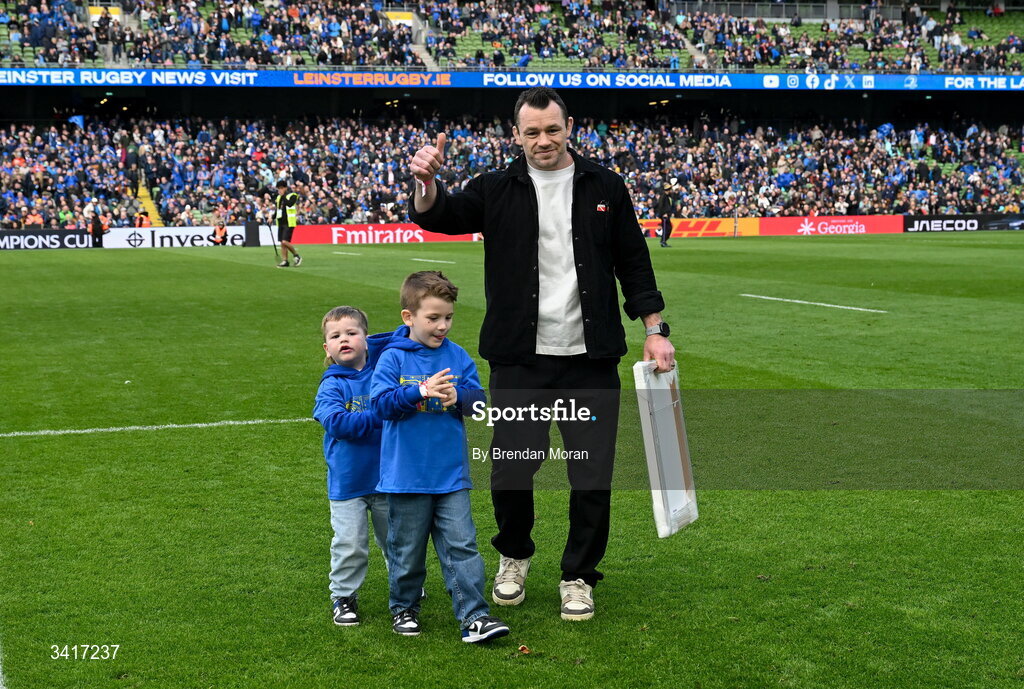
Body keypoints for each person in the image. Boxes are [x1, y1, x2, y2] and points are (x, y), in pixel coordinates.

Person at [408, 87, 674, 622]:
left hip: (590, 358)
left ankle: (578, 575)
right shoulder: (497, 186)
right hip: (520, 358)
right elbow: (440, 217)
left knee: (591, 474)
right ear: (516, 135)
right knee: (512, 471)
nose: (543, 140)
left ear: (569, 127)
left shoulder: (604, 185)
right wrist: (427, 183)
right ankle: (514, 557)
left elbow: (634, 263)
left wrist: (655, 327)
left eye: (551, 129)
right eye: (531, 132)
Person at [370, 271, 510, 644]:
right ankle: (404, 606)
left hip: (451, 475)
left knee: (462, 546)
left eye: (448, 317)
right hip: (405, 476)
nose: (442, 325)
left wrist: (458, 399)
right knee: (407, 552)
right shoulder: (392, 359)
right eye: (433, 318)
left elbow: (479, 402)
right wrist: (418, 391)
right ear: (408, 317)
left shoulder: (458, 355)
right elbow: (380, 405)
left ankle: (475, 617)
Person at [313, 306, 395, 627]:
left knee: (396, 542)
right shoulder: (332, 385)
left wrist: (375, 342)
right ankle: (344, 596)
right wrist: (384, 413)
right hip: (347, 484)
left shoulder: (382, 372)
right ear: (327, 348)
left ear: (367, 339)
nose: (343, 340)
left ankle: (404, 588)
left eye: (352, 333)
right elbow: (337, 423)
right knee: (350, 544)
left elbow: (405, 334)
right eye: (335, 336)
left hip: (388, 479)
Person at [272, 179, 302, 267]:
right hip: (281, 221)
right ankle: (285, 261)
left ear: (285, 188)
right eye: (278, 188)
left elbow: (289, 204)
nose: (279, 190)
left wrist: (283, 196)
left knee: (285, 241)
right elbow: (278, 210)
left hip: (289, 222)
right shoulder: (278, 198)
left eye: (281, 188)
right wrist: (272, 217)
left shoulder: (293, 195)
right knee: (282, 242)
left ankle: (296, 255)